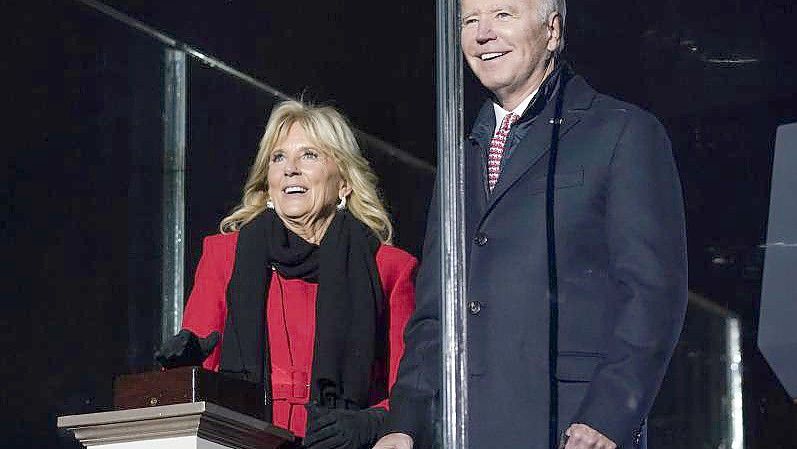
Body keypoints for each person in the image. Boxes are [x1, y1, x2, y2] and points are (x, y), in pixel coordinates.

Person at [373, 0, 687, 448]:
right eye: (469, 20)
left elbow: (652, 292)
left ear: (552, 32)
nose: (483, 33)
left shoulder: (621, 132)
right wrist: (405, 422)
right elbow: (436, 309)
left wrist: (608, 416)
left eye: (503, 14)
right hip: (463, 429)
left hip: (567, 428)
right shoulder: (460, 158)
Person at [156, 100, 418, 449]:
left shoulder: (389, 268)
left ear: (343, 181)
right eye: (278, 158)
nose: (290, 169)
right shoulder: (224, 257)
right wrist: (180, 370)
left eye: (309, 155)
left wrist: (371, 423)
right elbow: (195, 378)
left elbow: (410, 390)